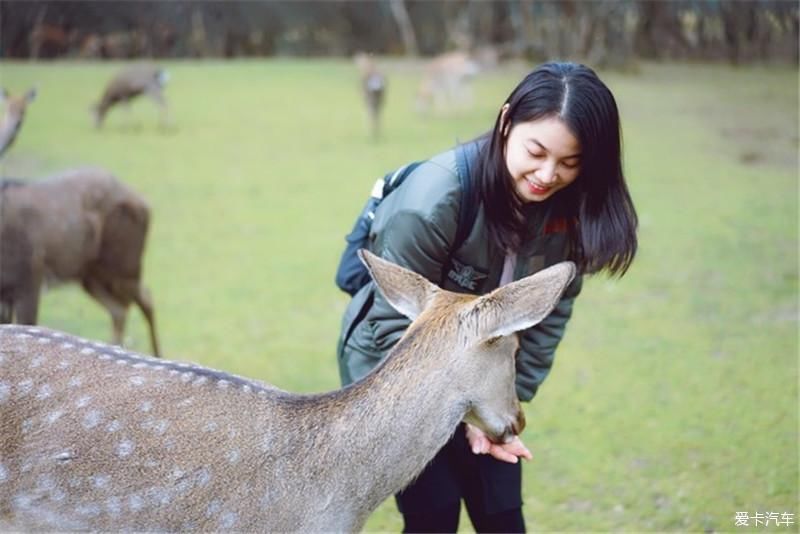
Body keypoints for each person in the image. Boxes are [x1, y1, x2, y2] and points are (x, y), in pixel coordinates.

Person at [336, 61, 638, 533]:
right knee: (433, 515)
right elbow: (391, 322)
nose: (548, 174)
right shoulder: (437, 195)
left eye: (570, 162)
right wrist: (464, 411)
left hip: (488, 377)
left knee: (502, 515)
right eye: (536, 151)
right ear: (505, 123)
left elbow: (547, 316)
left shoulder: (572, 209)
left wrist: (503, 403)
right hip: (401, 377)